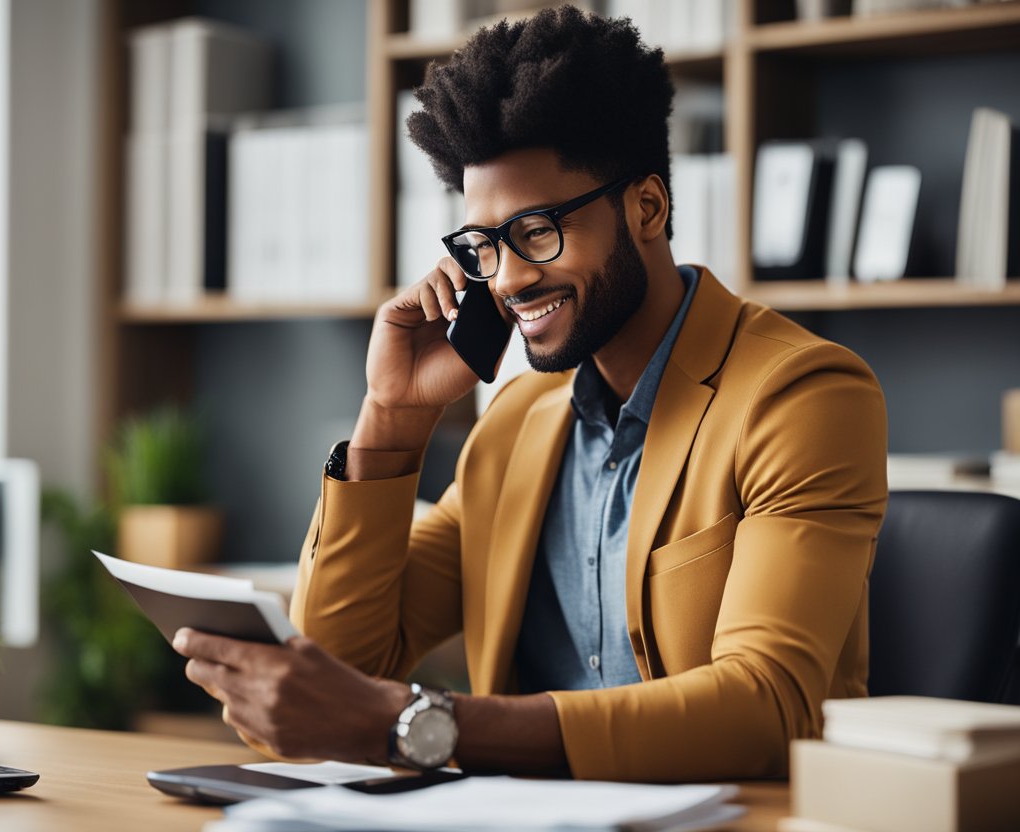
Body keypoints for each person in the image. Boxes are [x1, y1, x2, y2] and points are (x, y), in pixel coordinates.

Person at [173, 5, 887, 782]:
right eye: (483, 245)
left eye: (538, 230)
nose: (507, 278)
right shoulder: (516, 424)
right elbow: (331, 687)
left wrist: (418, 724)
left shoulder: (801, 396)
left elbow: (765, 708)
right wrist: (393, 420)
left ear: (646, 207)